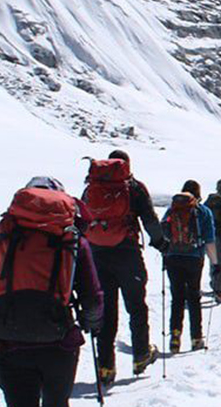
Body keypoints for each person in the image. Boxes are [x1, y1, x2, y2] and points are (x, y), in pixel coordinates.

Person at [0, 176, 102, 407]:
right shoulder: (70, 237)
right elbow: (92, 296)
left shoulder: (4, 234)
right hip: (59, 343)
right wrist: (92, 321)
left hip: (9, 342)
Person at [80, 149, 165, 383]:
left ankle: (106, 367)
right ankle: (140, 355)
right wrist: (161, 243)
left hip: (97, 256)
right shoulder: (133, 187)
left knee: (106, 311)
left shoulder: (93, 186)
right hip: (127, 254)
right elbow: (149, 219)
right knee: (136, 306)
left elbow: (83, 219)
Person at [160, 179, 216, 352]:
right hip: (194, 257)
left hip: (173, 257)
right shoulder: (203, 211)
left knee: (176, 297)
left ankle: (175, 336)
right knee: (193, 297)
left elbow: (163, 232)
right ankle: (196, 337)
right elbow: (209, 239)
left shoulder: (172, 209)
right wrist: (215, 263)